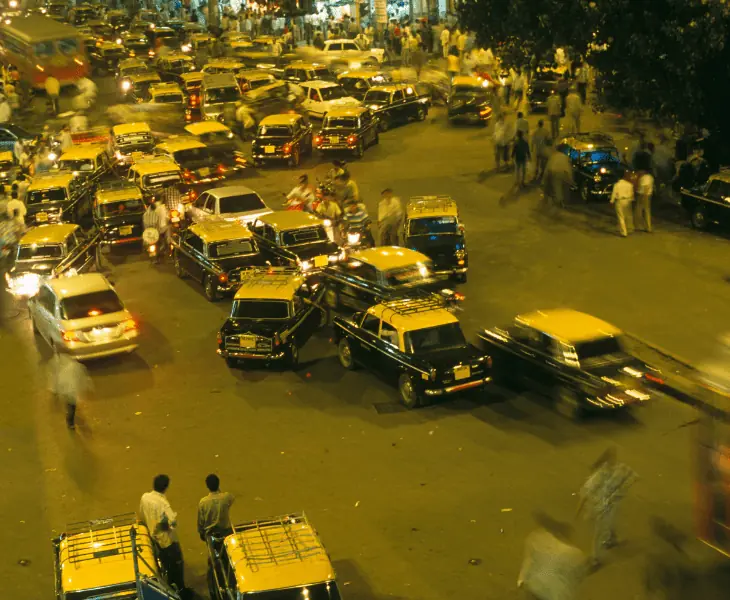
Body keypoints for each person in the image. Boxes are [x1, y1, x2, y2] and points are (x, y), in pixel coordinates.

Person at [577, 447, 638, 566]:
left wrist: (578, 511)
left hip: (607, 505)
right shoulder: (612, 471)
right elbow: (633, 476)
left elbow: (586, 493)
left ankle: (604, 547)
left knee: (605, 527)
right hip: (606, 506)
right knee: (603, 528)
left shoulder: (607, 472)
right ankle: (603, 549)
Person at [518, 511, 586, 600]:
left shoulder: (537, 538)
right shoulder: (576, 554)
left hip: (534, 589)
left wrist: (521, 580)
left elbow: (528, 561)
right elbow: (577, 578)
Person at [139, 475, 186, 592]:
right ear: (165, 487)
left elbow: (142, 514)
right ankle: (179, 587)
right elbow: (172, 521)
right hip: (165, 540)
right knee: (176, 563)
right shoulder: (163, 504)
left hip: (151, 535)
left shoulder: (145, 497)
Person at [48, 350, 92, 430]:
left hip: (67, 391)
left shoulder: (59, 364)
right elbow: (81, 377)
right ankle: (70, 422)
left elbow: (55, 378)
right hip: (70, 392)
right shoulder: (74, 366)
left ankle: (70, 422)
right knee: (71, 407)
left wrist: (55, 389)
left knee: (70, 406)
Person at [197, 474, 235, 541]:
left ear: (207, 486)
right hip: (226, 532)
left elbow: (201, 521)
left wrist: (201, 532)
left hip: (210, 533)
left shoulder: (203, 502)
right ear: (218, 484)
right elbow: (232, 498)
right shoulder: (226, 497)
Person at [543, 140, 573, 207]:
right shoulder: (565, 157)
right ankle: (560, 201)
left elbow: (548, 166)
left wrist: (544, 177)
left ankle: (558, 200)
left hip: (553, 172)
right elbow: (568, 168)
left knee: (557, 186)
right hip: (562, 173)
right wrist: (570, 179)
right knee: (562, 187)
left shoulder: (554, 156)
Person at [610, 172, 635, 237]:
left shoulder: (617, 185)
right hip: (628, 200)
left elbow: (614, 193)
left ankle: (624, 232)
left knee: (621, 216)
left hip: (619, 200)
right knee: (628, 215)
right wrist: (632, 200)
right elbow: (632, 194)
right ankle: (629, 228)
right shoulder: (629, 184)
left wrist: (612, 201)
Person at [635, 168, 654, 233]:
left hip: (643, 195)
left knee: (640, 211)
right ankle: (647, 227)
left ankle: (640, 226)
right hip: (646, 195)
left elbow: (646, 188)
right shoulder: (650, 177)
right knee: (645, 211)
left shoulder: (646, 177)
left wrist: (644, 196)